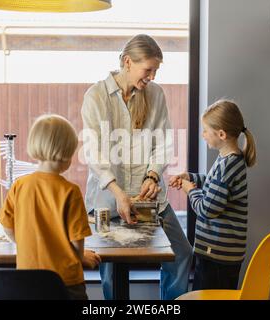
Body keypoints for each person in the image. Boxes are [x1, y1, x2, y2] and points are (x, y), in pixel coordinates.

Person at [81, 34, 192, 300]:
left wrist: (153, 175)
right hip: (109, 200)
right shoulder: (96, 96)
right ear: (128, 62)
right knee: (111, 266)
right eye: (148, 69)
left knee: (182, 254)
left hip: (151, 199)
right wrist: (119, 193)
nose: (152, 76)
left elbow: (164, 141)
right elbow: (93, 152)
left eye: (156, 70)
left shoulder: (156, 94)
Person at [0, 114, 101, 300]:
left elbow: (7, 227)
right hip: (66, 283)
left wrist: (27, 246)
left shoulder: (19, 186)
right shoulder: (70, 191)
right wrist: (82, 257)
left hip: (28, 280)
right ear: (68, 154)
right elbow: (77, 245)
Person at [169, 99, 256, 291]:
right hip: (220, 254)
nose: (203, 135)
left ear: (222, 134)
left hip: (218, 256)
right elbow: (213, 183)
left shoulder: (228, 165)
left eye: (206, 130)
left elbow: (207, 209)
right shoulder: (229, 159)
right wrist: (190, 177)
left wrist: (190, 190)